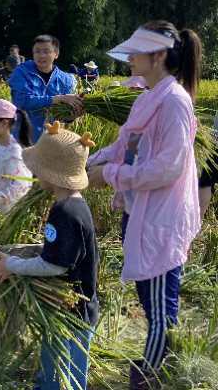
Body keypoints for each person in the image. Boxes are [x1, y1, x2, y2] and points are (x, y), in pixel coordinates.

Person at [87, 21, 202, 389]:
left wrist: (111, 175)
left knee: (158, 306)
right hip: (138, 211)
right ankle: (153, 363)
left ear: (160, 55)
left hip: (159, 217)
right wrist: (90, 159)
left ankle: (149, 376)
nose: (130, 58)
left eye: (137, 52)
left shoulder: (174, 103)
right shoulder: (148, 98)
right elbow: (127, 147)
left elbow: (168, 167)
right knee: (149, 296)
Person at [0, 121, 99, 390]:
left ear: (50, 174)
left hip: (73, 313)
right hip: (69, 308)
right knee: (53, 369)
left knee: (65, 378)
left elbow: (54, 265)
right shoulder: (75, 206)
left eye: (38, 170)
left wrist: (12, 264)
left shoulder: (64, 213)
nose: (36, 176)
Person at [9, 35, 82, 145]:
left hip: (50, 143)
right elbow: (22, 101)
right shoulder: (21, 72)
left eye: (46, 51)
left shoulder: (66, 81)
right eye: (37, 51)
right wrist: (57, 99)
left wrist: (72, 115)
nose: (41, 55)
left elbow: (63, 116)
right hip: (22, 140)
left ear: (56, 54)